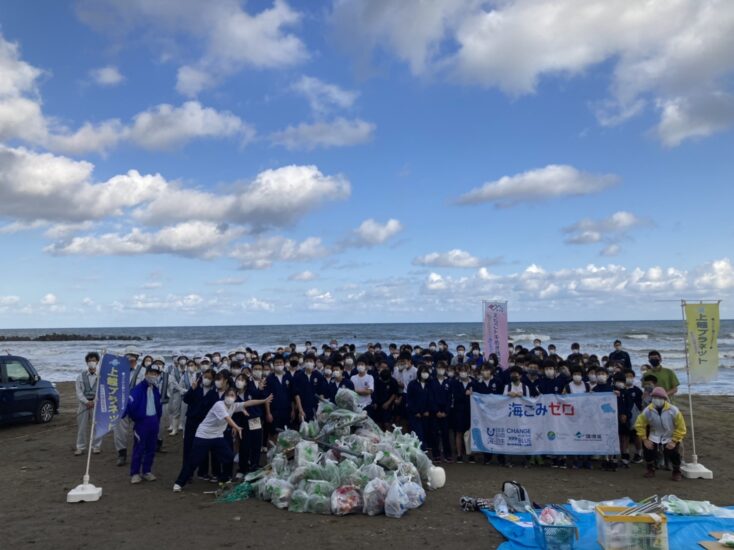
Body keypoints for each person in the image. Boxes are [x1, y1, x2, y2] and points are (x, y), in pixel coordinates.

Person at [173, 388, 272, 492]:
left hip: (217, 437)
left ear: (236, 396)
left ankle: (224, 480)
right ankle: (179, 483)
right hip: (204, 436)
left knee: (229, 457)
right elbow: (227, 418)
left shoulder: (234, 405)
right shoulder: (219, 405)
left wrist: (264, 400)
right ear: (224, 396)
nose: (230, 397)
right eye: (228, 395)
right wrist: (237, 427)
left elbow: (249, 402)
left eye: (232, 395)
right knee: (194, 461)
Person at [635, 387, 687, 481]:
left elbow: (681, 427)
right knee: (648, 450)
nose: (656, 399)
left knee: (673, 453)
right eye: (654, 397)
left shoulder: (673, 410)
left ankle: (676, 471)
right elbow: (639, 425)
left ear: (664, 398)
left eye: (659, 397)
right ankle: (650, 468)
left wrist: (674, 441)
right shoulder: (648, 410)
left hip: (670, 435)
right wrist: (645, 439)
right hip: (654, 434)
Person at [123, 362, 163, 484]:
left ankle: (146, 471)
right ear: (146, 374)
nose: (153, 376)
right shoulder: (138, 389)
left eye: (156, 374)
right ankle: (135, 473)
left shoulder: (156, 390)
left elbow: (158, 406)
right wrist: (124, 415)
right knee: (139, 447)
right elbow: (129, 403)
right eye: (151, 373)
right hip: (142, 422)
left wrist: (157, 419)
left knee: (151, 448)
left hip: (154, 421)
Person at [114, 345, 141, 466]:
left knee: (140, 430)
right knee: (119, 430)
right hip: (122, 405)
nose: (130, 359)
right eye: (128, 356)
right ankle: (121, 454)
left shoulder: (143, 371)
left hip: (138, 406)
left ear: (137, 357)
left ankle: (139, 453)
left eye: (133, 357)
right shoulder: (118, 371)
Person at [74, 352, 103, 456]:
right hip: (83, 404)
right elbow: (78, 392)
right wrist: (87, 402)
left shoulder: (101, 376)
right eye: (90, 360)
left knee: (97, 426)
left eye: (94, 360)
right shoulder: (80, 376)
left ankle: (96, 446)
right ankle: (80, 447)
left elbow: (102, 390)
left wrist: (95, 401)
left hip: (96, 404)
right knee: (82, 427)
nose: (92, 362)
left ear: (98, 362)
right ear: (87, 362)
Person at [406, 364, 435, 453]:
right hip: (415, 414)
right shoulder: (412, 384)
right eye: (423, 372)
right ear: (419, 373)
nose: (425, 374)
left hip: (426, 414)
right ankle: (421, 452)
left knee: (426, 433)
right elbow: (409, 399)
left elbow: (432, 398)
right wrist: (415, 412)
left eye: (426, 372)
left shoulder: (430, 384)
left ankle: (423, 451)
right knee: (418, 434)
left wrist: (428, 410)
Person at [431, 361, 453, 463]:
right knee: (434, 434)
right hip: (435, 412)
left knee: (445, 434)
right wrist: (436, 411)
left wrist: (446, 412)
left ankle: (447, 455)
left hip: (446, 412)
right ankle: (436, 455)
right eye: (439, 368)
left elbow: (450, 399)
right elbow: (430, 398)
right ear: (436, 369)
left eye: (442, 368)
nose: (441, 370)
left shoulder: (449, 382)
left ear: (445, 370)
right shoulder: (432, 382)